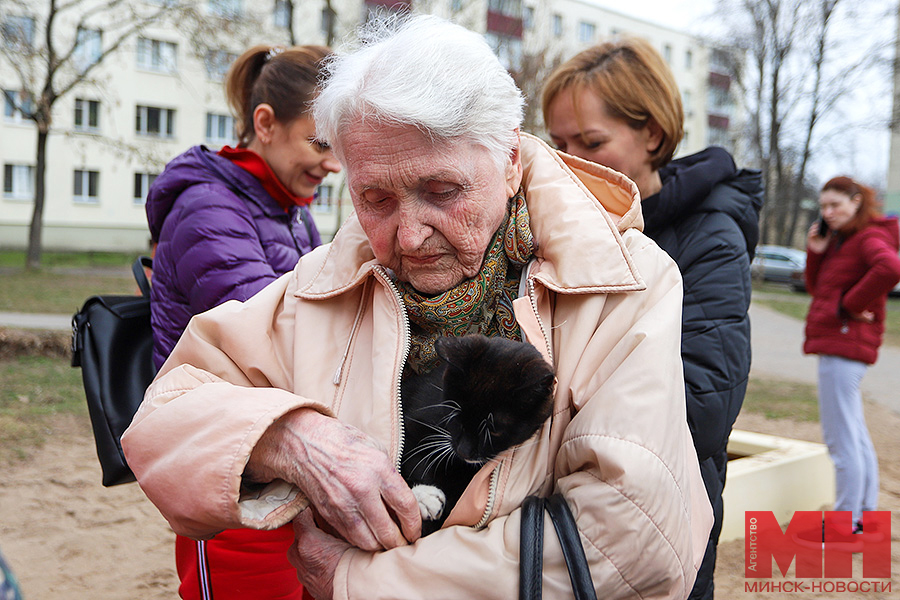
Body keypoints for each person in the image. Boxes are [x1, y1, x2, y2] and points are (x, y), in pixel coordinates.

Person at [123, 15, 712, 599]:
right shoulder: (324, 283)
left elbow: (633, 545)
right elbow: (162, 422)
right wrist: (284, 436)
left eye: (441, 193)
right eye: (374, 199)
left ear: (508, 163)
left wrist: (361, 582)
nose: (408, 237)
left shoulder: (624, 284)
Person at [542, 37, 762, 600]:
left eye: (591, 142)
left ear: (653, 135)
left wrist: (550, 418)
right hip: (561, 521)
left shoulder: (710, 240)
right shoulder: (562, 228)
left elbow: (703, 406)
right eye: (558, 142)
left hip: (658, 526)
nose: (569, 160)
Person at [144, 43, 340, 600]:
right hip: (231, 468)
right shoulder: (209, 207)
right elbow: (275, 339)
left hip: (282, 461)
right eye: (321, 142)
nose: (332, 164)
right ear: (265, 123)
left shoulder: (288, 212)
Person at [800, 176, 900, 542]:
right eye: (824, 206)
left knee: (841, 441)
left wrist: (849, 305)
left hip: (844, 345)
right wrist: (816, 249)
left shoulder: (868, 237)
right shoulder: (843, 240)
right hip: (840, 345)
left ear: (857, 201)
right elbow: (817, 288)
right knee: (855, 437)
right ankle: (865, 518)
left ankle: (847, 524)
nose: (828, 213)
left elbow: (890, 269)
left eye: (836, 205)